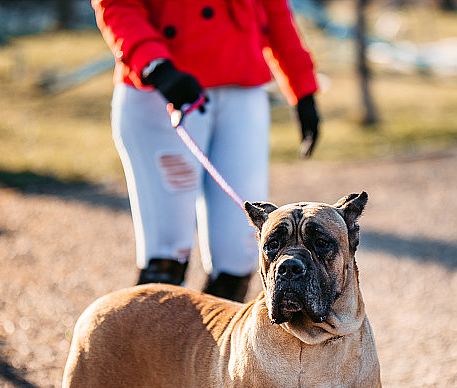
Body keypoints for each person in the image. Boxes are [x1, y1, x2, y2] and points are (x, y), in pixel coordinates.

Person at [92, 0, 320, 301]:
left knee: (240, 255)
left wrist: (302, 87)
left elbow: (274, 8)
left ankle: (211, 348)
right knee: (167, 256)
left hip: (242, 84)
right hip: (162, 89)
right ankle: (144, 346)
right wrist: (154, 64)